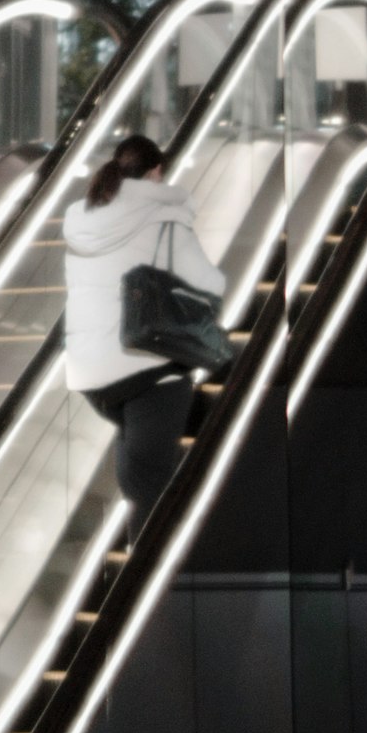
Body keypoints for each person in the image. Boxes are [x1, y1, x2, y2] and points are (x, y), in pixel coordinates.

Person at [59, 133, 224, 511]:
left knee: (139, 473)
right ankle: (157, 561)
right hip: (146, 366)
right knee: (152, 491)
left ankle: (142, 553)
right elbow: (208, 283)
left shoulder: (84, 223)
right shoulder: (164, 218)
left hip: (93, 375)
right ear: (156, 172)